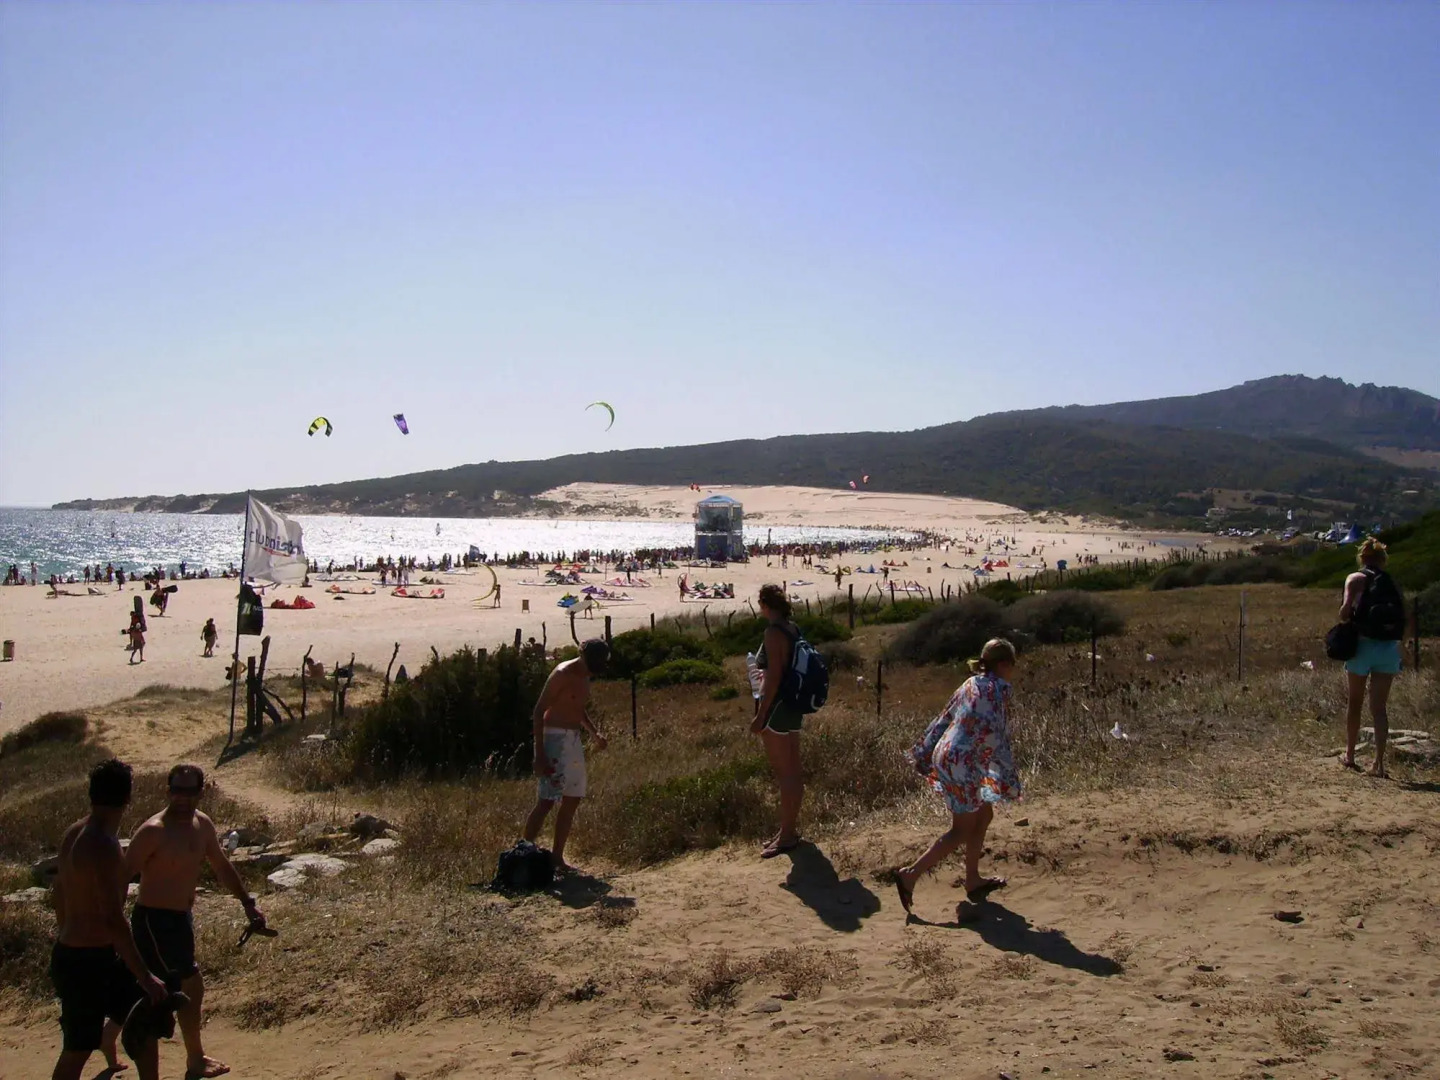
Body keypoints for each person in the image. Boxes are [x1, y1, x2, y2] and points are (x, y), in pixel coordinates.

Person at [126, 764, 268, 1080]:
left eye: (190, 792)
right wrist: (112, 927)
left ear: (200, 793)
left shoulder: (202, 825)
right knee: (188, 984)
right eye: (178, 790)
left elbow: (221, 865)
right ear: (168, 791)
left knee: (154, 990)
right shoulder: (153, 831)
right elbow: (121, 878)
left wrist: (248, 904)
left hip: (181, 920)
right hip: (154, 922)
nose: (183, 798)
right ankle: (194, 1058)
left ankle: (110, 1036)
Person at [49, 759, 169, 1080]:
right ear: (128, 798)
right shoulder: (102, 845)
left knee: (144, 1021)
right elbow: (113, 919)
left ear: (91, 793)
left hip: (81, 954)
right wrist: (145, 976)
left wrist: (68, 933)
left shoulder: (75, 832)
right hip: (85, 963)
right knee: (77, 1049)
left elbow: (59, 893)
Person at [895, 638, 1022, 921]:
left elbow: (944, 718)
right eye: (1012, 665)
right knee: (961, 829)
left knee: (984, 815)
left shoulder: (970, 683)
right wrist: (1006, 774)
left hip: (950, 755)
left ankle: (973, 879)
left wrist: (925, 751)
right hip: (964, 762)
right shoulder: (1000, 689)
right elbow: (997, 733)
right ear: (1004, 664)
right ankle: (910, 874)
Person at [522, 639, 610, 873]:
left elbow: (577, 708)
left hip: (573, 739)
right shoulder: (562, 674)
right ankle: (523, 854)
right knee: (547, 800)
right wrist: (539, 754)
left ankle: (557, 858)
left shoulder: (586, 676)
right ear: (583, 655)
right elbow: (539, 711)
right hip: (554, 738)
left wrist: (594, 734)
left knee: (573, 797)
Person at [1338, 538, 1411, 778]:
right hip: (1388, 648)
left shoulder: (1355, 578)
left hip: (1362, 646)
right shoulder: (1391, 582)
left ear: (1362, 557)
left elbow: (1344, 612)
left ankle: (1350, 755)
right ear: (1383, 559)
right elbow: (1405, 615)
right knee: (1379, 708)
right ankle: (1379, 764)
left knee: (1355, 702)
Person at [750, 583, 806, 859]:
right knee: (793, 770)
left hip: (777, 708)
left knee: (785, 774)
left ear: (764, 605)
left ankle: (787, 836)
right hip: (793, 705)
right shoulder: (792, 628)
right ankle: (788, 830)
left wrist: (761, 715)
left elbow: (773, 677)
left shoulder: (772, 633)